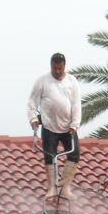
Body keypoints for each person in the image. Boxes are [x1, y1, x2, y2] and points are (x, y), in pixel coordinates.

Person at [27, 53, 81, 200]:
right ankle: (51, 188)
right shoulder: (42, 81)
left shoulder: (71, 81)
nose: (57, 71)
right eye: (54, 68)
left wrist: (75, 124)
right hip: (49, 126)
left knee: (74, 154)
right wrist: (33, 119)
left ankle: (64, 187)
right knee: (50, 156)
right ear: (51, 66)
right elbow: (32, 102)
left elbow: (76, 104)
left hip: (68, 127)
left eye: (60, 69)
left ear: (64, 66)